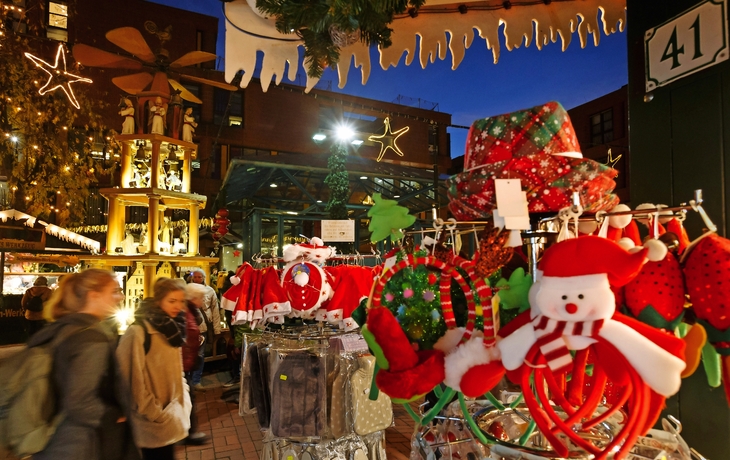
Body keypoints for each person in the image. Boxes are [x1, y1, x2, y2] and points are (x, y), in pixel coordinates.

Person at [31, 269, 134, 460]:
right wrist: (115, 416)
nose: (119, 297)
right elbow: (80, 402)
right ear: (94, 295)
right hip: (81, 444)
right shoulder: (92, 339)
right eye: (113, 291)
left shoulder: (64, 327)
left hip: (54, 439)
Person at [116, 278, 191, 460]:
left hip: (171, 415)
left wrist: (184, 399)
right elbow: (129, 379)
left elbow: (177, 370)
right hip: (153, 421)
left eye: (181, 301)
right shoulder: (139, 332)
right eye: (171, 301)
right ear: (158, 301)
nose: (177, 306)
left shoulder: (173, 330)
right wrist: (154, 412)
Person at [183, 282, 211, 445]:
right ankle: (189, 431)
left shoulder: (191, 310)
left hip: (187, 362)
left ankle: (188, 430)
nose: (203, 300)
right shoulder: (187, 311)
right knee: (188, 396)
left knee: (189, 397)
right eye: (201, 297)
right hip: (184, 364)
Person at [188, 269, 220, 389]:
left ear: (204, 278)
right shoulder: (188, 290)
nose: (197, 279)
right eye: (195, 277)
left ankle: (196, 380)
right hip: (191, 329)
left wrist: (216, 328)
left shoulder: (210, 291)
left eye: (199, 277)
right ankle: (189, 380)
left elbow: (215, 309)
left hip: (204, 327)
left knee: (200, 355)